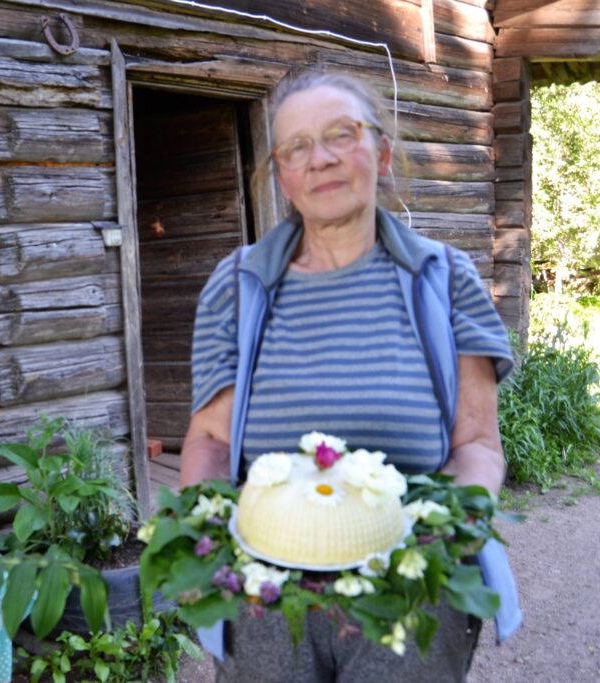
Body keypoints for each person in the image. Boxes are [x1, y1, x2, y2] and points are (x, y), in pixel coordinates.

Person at [179, 68, 515, 682]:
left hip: (407, 579)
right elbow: (211, 440)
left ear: (381, 151)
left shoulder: (445, 278)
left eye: (341, 134)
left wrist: (449, 532)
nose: (321, 159)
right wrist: (203, 539)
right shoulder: (237, 286)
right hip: (266, 586)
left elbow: (476, 444)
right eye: (297, 147)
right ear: (280, 173)